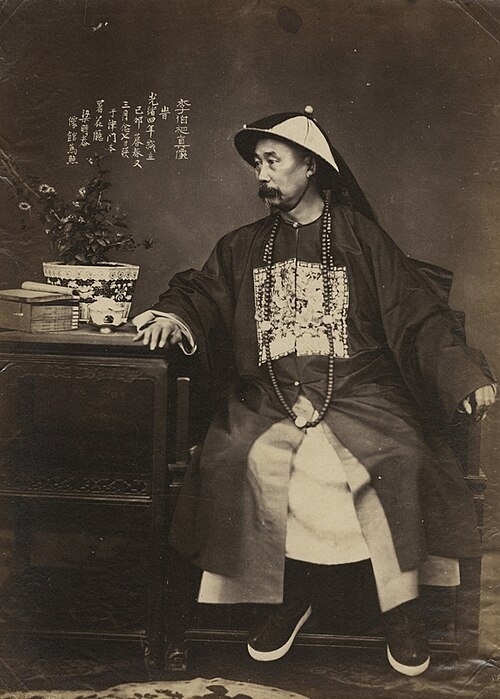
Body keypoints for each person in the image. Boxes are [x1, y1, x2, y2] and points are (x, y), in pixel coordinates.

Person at [133, 107, 496, 676]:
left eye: (273, 161)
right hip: (269, 394)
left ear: (311, 166)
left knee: (398, 455)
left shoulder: (362, 238)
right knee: (242, 456)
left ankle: (401, 611)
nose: (262, 175)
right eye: (258, 164)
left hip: (362, 390)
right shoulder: (243, 244)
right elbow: (200, 291)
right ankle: (289, 598)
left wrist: (461, 375)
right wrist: (174, 316)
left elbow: (417, 313)